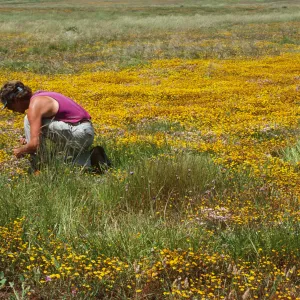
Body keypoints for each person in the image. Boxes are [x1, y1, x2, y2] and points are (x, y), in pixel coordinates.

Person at [0, 80, 111, 173]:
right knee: (56, 159)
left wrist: (21, 150)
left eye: (9, 106)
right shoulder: (39, 96)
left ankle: (38, 167)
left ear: (16, 100)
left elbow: (35, 144)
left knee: (27, 121)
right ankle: (92, 158)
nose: (11, 110)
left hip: (80, 133)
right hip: (84, 131)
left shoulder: (35, 106)